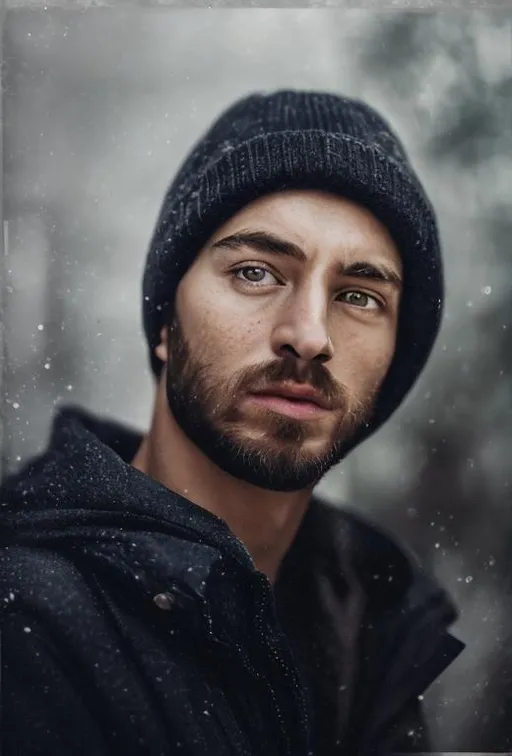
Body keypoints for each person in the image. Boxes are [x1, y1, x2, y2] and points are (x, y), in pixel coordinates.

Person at [0, 90, 464, 756]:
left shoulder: (377, 626)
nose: (308, 335)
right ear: (166, 322)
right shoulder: (27, 621)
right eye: (255, 272)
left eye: (359, 296)